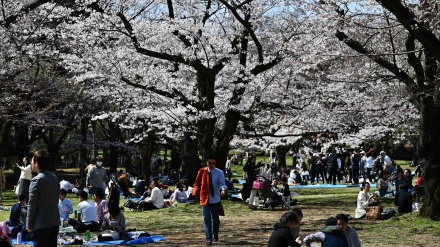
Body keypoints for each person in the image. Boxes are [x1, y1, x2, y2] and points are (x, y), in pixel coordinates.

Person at [26, 150, 60, 247]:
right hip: (54, 221)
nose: (31, 163)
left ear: (36, 163)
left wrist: (29, 224)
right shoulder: (54, 177)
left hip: (41, 224)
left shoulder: (36, 180)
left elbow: (31, 205)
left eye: (32, 160)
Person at [193, 154, 227, 245]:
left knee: (216, 219)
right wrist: (195, 193)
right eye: (209, 163)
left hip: (215, 199)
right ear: (206, 162)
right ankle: (209, 238)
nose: (211, 165)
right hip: (205, 199)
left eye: (213, 163)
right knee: (207, 218)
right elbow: (197, 183)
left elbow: (222, 183)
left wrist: (223, 190)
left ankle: (215, 234)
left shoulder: (219, 172)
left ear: (215, 163)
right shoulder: (202, 171)